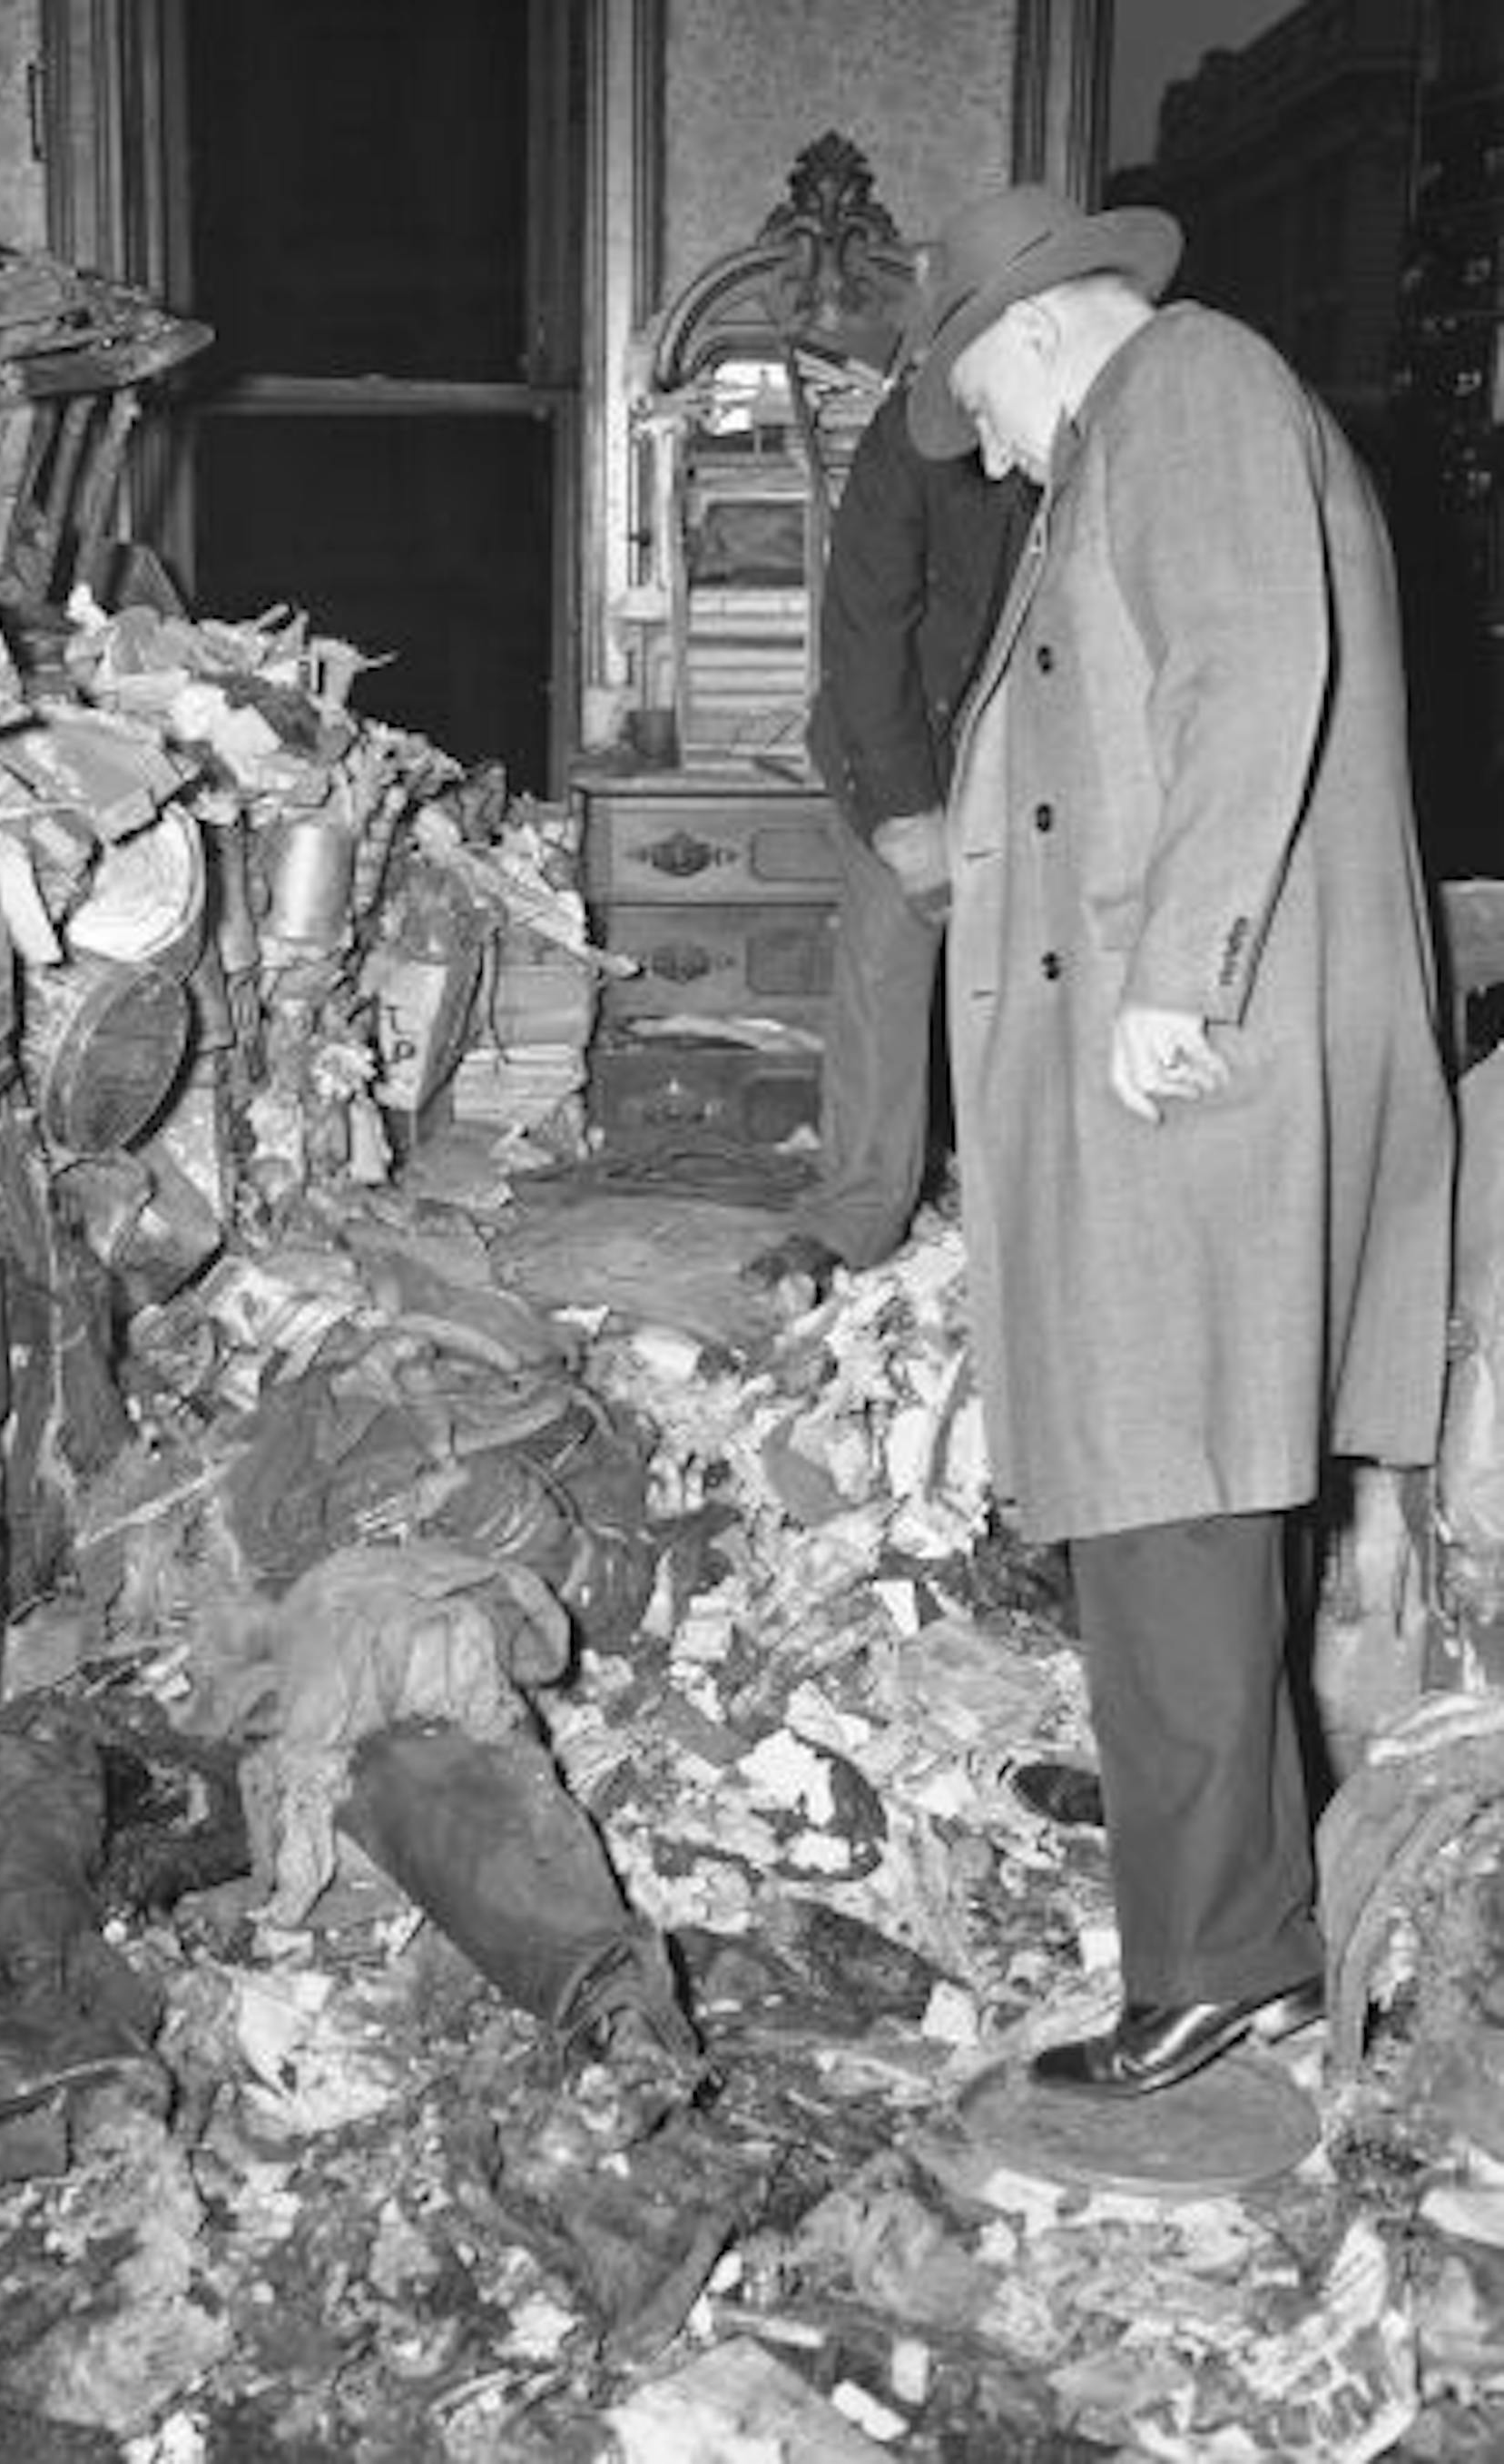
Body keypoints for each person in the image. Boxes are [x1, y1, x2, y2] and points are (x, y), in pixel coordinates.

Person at [904, 183, 1454, 2096]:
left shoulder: (1190, 384)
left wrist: (1177, 973)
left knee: (1164, 1490)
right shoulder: (1155, 415)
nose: (985, 448)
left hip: (1195, 1042)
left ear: (1039, 324)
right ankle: (1230, 1879)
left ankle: (1219, 1956)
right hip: (1192, 1037)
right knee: (1191, 1481)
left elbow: (1247, 668)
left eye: (976, 398)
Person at [747, 378, 1035, 1296]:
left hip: (1033, 746)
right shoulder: (906, 437)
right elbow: (865, 639)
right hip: (897, 738)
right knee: (885, 976)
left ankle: (1037, 1213)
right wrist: (910, 818)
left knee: (1041, 984)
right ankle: (855, 1215)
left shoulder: (1102, 426)